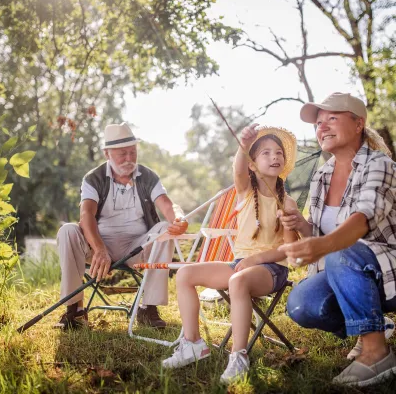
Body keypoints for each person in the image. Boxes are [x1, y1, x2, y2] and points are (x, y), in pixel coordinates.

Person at [162, 125, 298, 383]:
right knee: (186, 273)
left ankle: (239, 355)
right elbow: (237, 169)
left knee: (238, 280)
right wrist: (243, 144)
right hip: (239, 264)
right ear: (253, 164)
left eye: (278, 152)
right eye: (266, 153)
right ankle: (193, 343)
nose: (274, 156)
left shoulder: (288, 203)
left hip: (272, 270)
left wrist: (255, 260)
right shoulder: (246, 192)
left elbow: (289, 251)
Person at [278, 92, 396, 386]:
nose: (323, 127)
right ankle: (376, 326)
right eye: (318, 123)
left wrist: (324, 245)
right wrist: (303, 227)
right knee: (302, 305)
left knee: (343, 251)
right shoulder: (322, 176)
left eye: (332, 118)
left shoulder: (379, 164)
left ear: (358, 124)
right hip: (343, 266)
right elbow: (320, 237)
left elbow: (363, 218)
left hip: (386, 268)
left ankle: (376, 352)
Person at [55, 122, 188, 330]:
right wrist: (99, 249)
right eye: (122, 153)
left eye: (133, 152)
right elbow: (86, 214)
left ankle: (148, 308)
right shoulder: (93, 178)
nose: (129, 159)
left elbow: (167, 204)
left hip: (137, 249)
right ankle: (75, 310)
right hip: (98, 247)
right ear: (107, 153)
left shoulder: (148, 176)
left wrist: (179, 218)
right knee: (67, 231)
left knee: (164, 229)